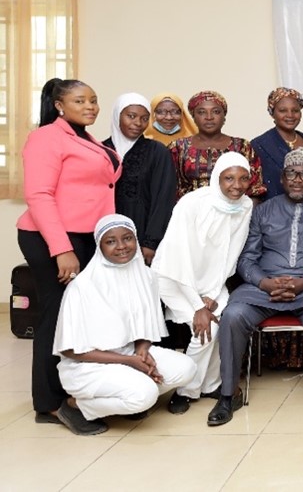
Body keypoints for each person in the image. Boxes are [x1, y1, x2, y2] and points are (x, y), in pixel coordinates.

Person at [209, 148, 303, 426]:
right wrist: (264, 282)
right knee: (232, 316)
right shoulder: (262, 212)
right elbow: (246, 258)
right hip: (264, 285)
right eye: (291, 174)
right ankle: (228, 393)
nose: (297, 179)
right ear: (282, 179)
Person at [17, 79, 121, 429]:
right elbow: (39, 195)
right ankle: (48, 403)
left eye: (94, 100)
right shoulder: (46, 137)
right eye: (80, 100)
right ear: (59, 105)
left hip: (84, 235)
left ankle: (72, 392)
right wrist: (61, 249)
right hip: (53, 237)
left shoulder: (84, 137)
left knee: (76, 318)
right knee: (56, 317)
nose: (90, 106)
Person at [52, 215, 197, 435]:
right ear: (100, 246)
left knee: (187, 368)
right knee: (144, 395)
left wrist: (141, 350)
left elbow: (146, 324)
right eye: (111, 241)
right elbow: (71, 350)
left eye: (127, 238)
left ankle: (126, 396)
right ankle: (76, 407)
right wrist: (129, 361)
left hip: (128, 354)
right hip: (87, 367)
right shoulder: (82, 287)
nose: (121, 246)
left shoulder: (145, 276)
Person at [152, 152, 253, 414]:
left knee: (220, 326)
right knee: (204, 330)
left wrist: (211, 293)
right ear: (216, 178)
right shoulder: (192, 203)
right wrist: (198, 304)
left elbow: (230, 254)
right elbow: (180, 257)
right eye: (229, 178)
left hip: (212, 283)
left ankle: (208, 385)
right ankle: (186, 389)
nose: (237, 185)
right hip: (174, 279)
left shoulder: (245, 206)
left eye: (244, 178)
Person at [102, 93, 176, 266]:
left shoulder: (158, 152)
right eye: (131, 116)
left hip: (142, 234)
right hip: (103, 234)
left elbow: (163, 200)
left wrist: (151, 242)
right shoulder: (100, 150)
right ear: (117, 116)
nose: (138, 123)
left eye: (144, 118)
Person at [168, 90, 266, 200]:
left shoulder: (242, 147)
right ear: (193, 116)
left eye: (216, 112)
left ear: (224, 116)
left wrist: (245, 215)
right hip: (191, 212)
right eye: (201, 112)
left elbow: (255, 189)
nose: (209, 117)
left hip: (235, 212)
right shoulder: (178, 147)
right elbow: (169, 188)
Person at [251, 87, 303, 200]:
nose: (290, 115)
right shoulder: (258, 145)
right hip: (272, 212)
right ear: (272, 113)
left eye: (295, 110)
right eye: (283, 110)